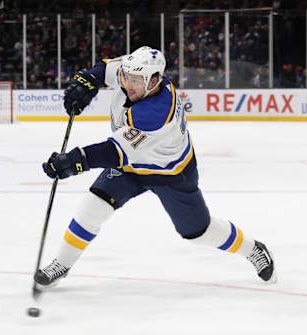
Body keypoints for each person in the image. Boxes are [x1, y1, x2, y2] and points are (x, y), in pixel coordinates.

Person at [34, 46, 276, 287]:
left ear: (154, 80)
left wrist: (75, 161)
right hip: (131, 165)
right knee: (93, 206)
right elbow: (104, 69)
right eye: (127, 77)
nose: (128, 84)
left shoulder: (155, 112)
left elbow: (113, 152)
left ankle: (253, 249)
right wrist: (87, 81)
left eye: (136, 81)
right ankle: (62, 264)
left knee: (199, 233)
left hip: (170, 172)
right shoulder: (130, 72)